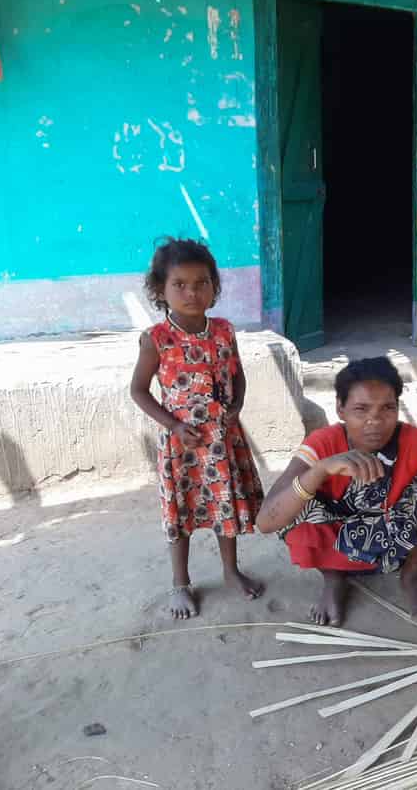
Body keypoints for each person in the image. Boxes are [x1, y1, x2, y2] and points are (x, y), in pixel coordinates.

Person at [257, 357, 417, 638]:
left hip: (392, 527)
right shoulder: (323, 443)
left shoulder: (415, 440)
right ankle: (333, 576)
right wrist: (320, 469)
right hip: (338, 530)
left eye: (387, 408)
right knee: (294, 498)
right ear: (340, 409)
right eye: (361, 409)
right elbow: (267, 520)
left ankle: (412, 574)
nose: (375, 421)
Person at [130, 238, 265, 620]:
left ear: (214, 286)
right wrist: (173, 425)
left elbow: (238, 376)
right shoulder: (156, 339)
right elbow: (138, 391)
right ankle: (180, 583)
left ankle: (230, 571)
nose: (192, 292)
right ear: (161, 290)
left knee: (225, 507)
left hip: (223, 441)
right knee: (182, 514)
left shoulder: (224, 331)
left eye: (202, 282)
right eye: (180, 284)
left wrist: (236, 408)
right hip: (182, 445)